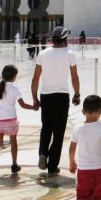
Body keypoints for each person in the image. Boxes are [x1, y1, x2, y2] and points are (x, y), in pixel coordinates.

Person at [31, 26, 80, 177]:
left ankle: (42, 153)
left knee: (46, 127)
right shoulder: (69, 54)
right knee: (58, 132)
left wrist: (35, 98)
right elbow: (74, 77)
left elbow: (36, 78)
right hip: (62, 96)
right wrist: (77, 94)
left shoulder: (43, 54)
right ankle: (52, 166)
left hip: (46, 96)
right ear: (65, 39)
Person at [0, 64, 37, 179]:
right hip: (11, 120)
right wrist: (33, 107)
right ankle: (14, 165)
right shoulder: (14, 89)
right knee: (13, 142)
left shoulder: (0, 88)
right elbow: (23, 105)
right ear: (14, 77)